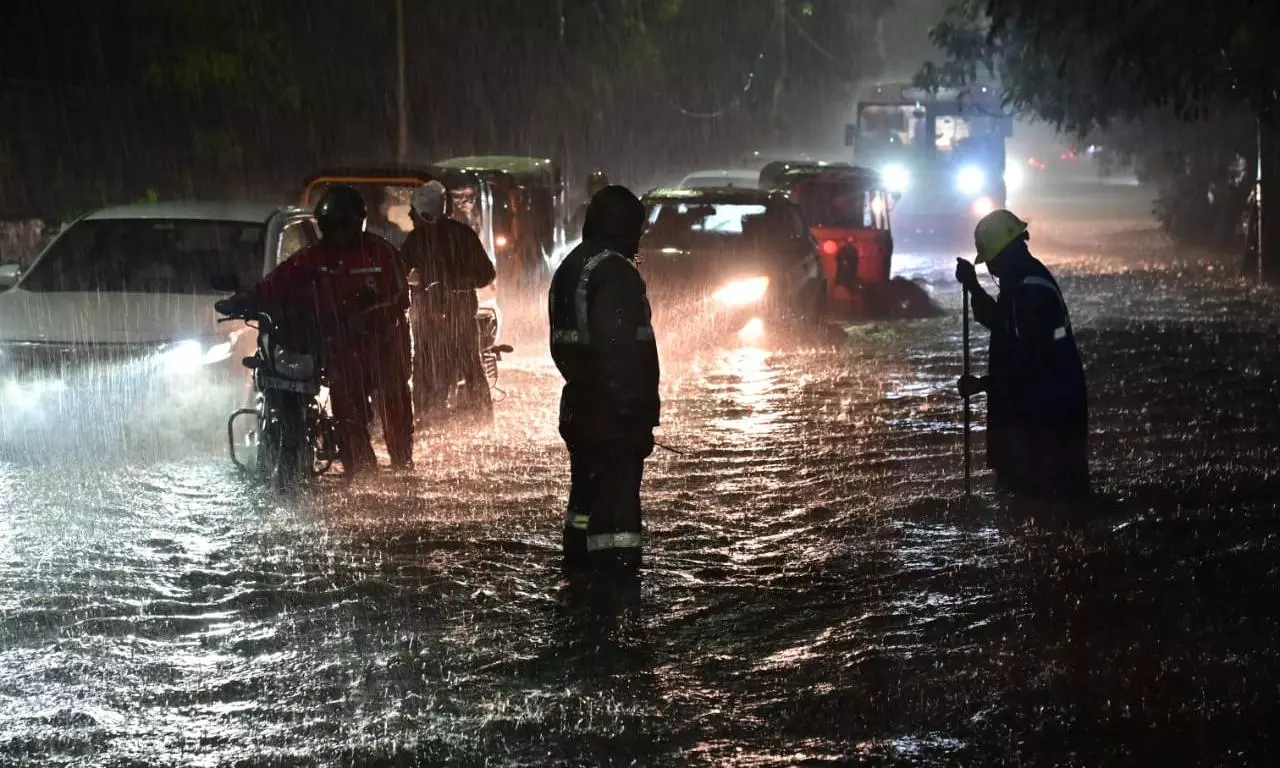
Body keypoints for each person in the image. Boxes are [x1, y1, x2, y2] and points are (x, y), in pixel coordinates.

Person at [232, 185, 413, 475]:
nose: (339, 234)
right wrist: (242, 301)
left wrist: (367, 316)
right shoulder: (313, 257)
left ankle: (403, 464)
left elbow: (400, 297)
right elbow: (276, 284)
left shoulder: (381, 254)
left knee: (395, 405)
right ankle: (362, 476)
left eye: (345, 225)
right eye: (332, 226)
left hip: (385, 346)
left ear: (358, 223)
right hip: (341, 349)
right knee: (347, 411)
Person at [549, 185, 660, 571]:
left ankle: (577, 583)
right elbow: (620, 355)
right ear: (620, 226)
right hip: (613, 418)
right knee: (616, 519)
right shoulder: (614, 272)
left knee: (583, 502)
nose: (639, 238)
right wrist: (634, 417)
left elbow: (571, 348)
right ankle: (616, 601)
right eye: (636, 228)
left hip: (581, 410)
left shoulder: (573, 265)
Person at [955, 209, 1089, 498]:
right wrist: (974, 287)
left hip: (1045, 414)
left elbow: (1031, 364)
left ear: (1003, 254)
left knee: (1040, 498)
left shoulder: (1031, 291)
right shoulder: (1020, 283)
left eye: (990, 259)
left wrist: (983, 384)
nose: (990, 266)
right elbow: (1002, 323)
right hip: (1037, 410)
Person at [401, 180, 497, 423]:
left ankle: (428, 420)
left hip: (451, 320)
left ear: (425, 213)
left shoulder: (425, 239)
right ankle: (480, 419)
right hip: (442, 320)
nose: (410, 215)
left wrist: (449, 284)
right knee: (463, 366)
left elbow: (486, 274)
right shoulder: (452, 236)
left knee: (454, 366)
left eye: (414, 211)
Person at [568, 171, 610, 239]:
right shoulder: (581, 211)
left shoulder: (615, 210)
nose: (597, 191)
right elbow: (571, 235)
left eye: (600, 189)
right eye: (594, 188)